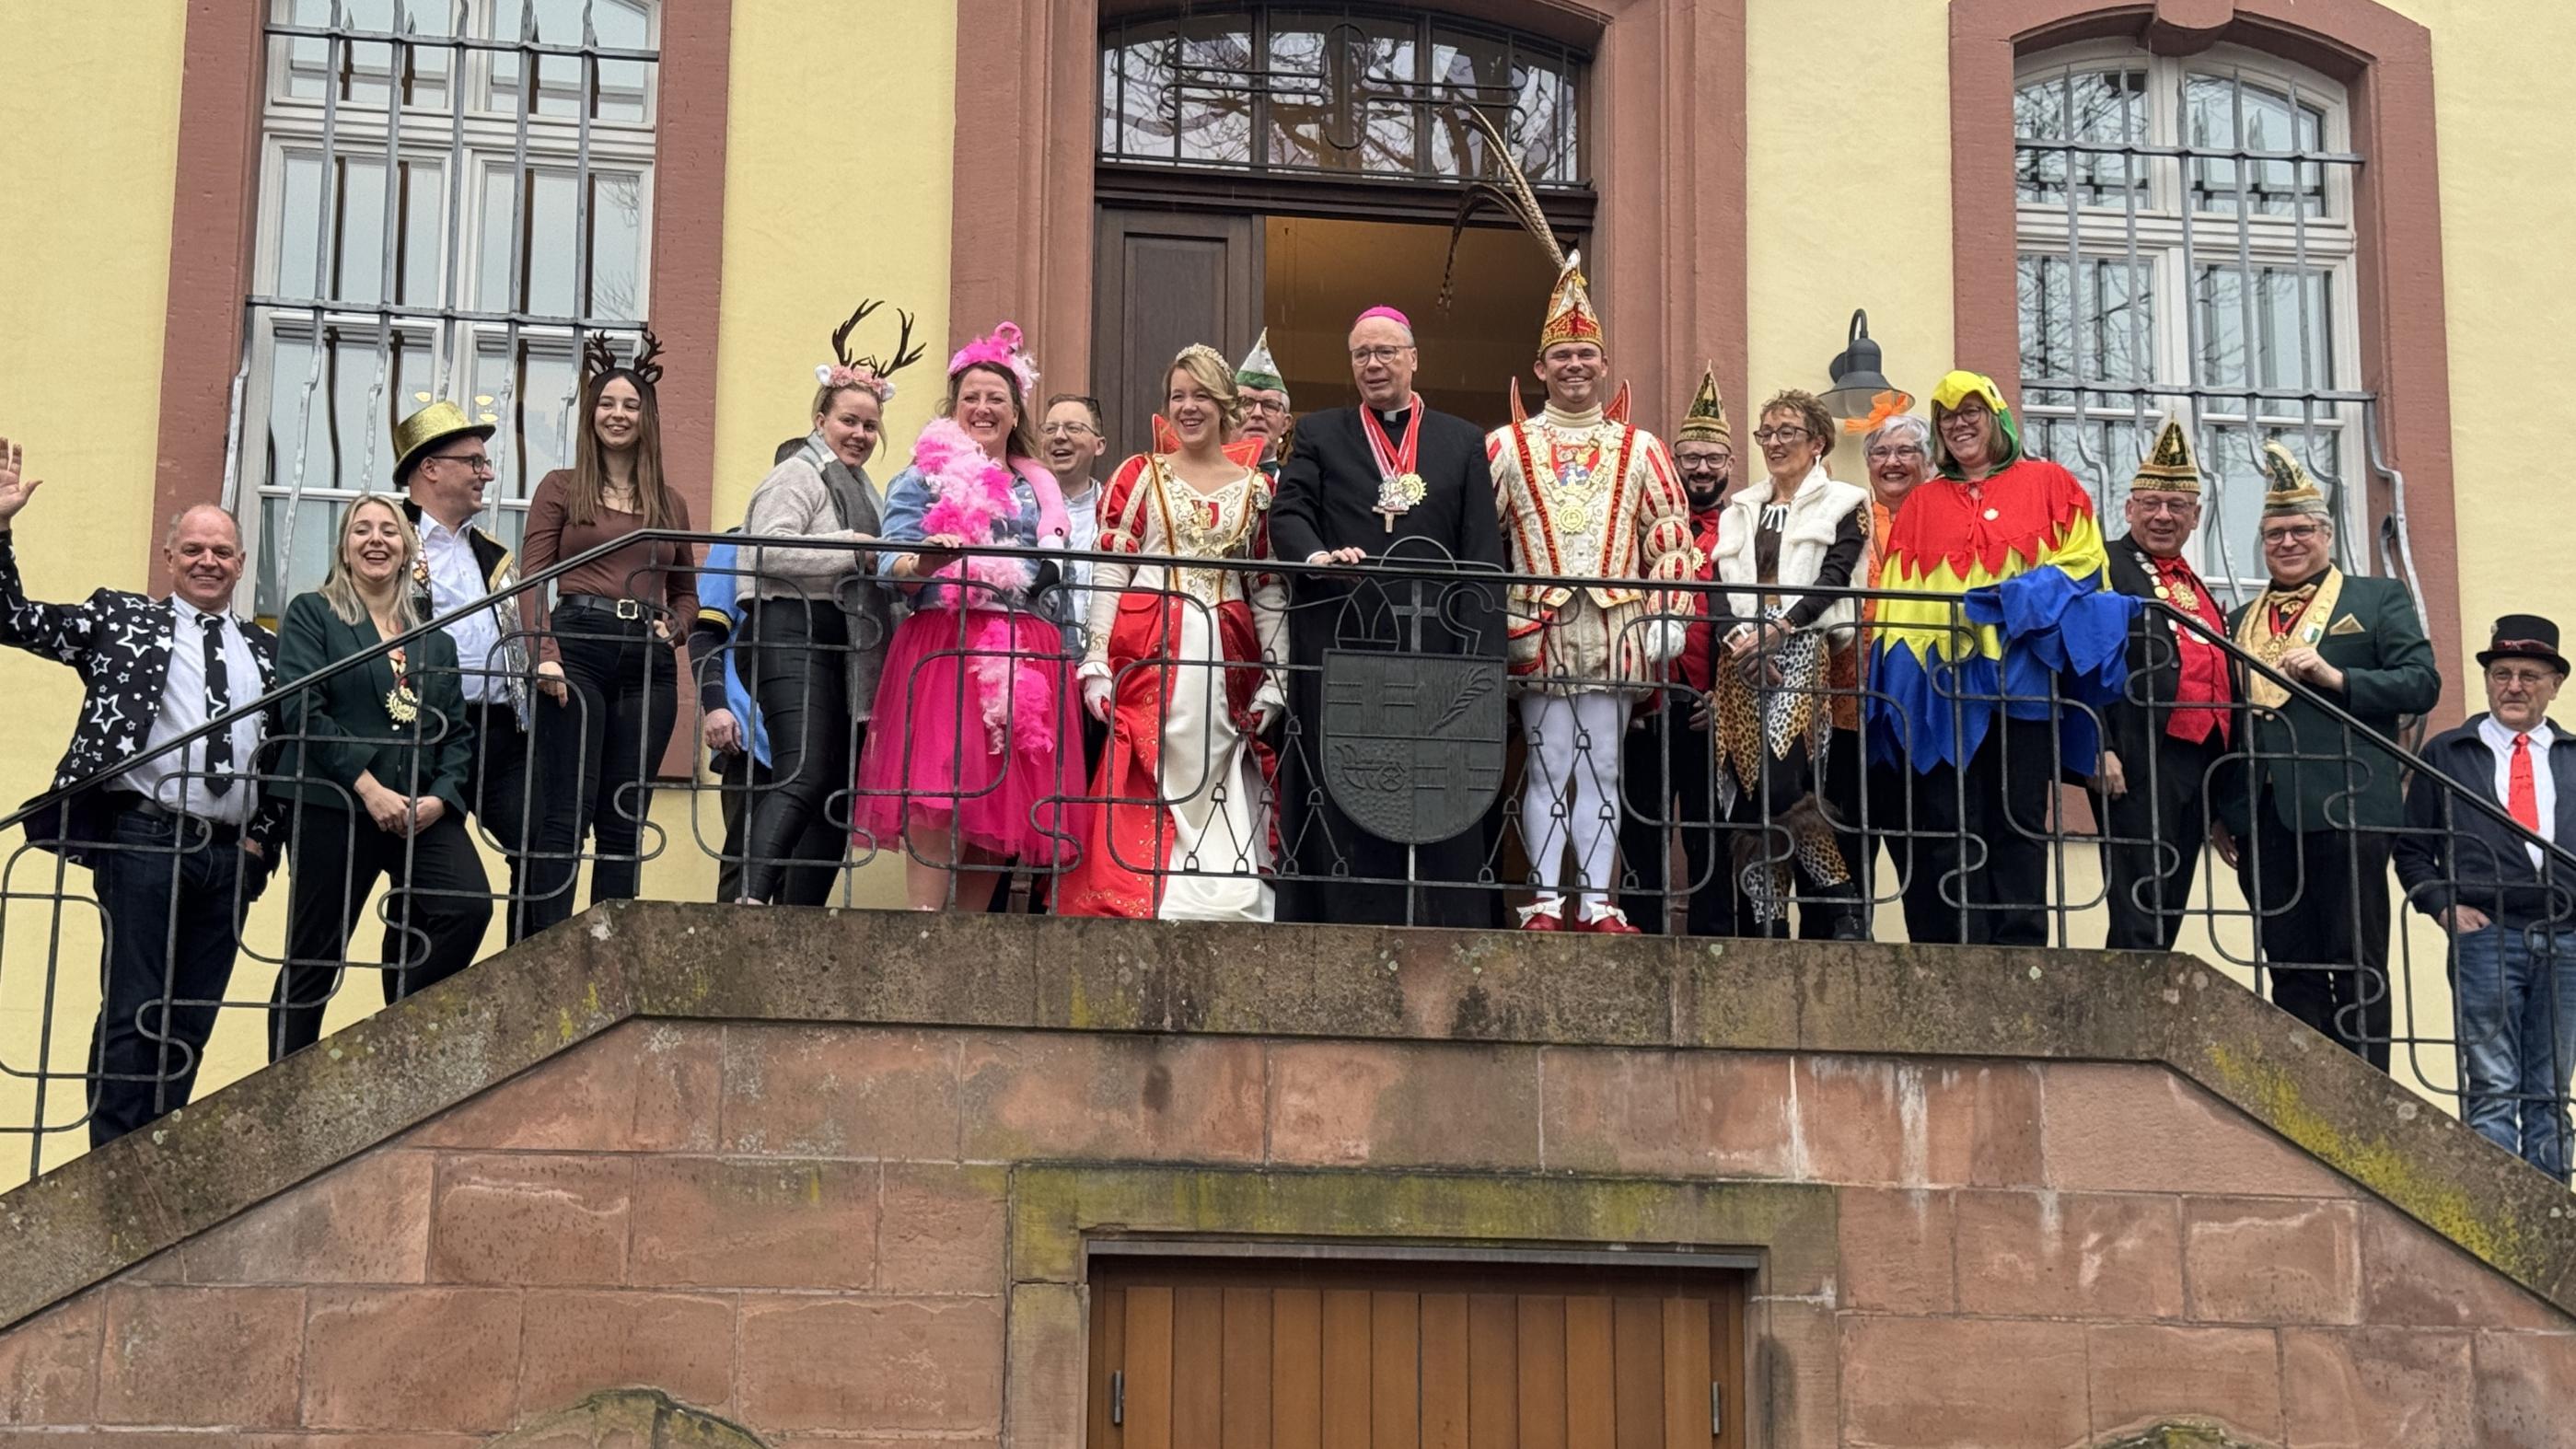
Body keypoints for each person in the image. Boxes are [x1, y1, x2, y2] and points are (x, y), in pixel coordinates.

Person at [0, 442, 279, 1145]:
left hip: (229, 856)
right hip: (147, 839)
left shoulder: (268, 650)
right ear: (169, 556)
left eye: (221, 551)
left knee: (191, 1018)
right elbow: (13, 619)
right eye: (193, 549)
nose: (208, 561)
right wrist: (0, 530)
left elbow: (291, 749)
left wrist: (261, 842)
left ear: (240, 563)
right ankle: (113, 1165)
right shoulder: (121, 621)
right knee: (136, 1008)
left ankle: (158, 1147)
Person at [1866, 370, 2135, 946]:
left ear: (1996, 418)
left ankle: (2020, 946)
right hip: (1942, 688)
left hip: (2024, 680)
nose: (1959, 424)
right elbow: (1896, 605)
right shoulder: (1921, 503)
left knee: (2018, 818)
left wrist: (2017, 600)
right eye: (1947, 416)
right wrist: (1895, 692)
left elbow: (2088, 564)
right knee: (1947, 820)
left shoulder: (2052, 482)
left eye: (1971, 412)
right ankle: (1958, 944)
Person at [1269, 306, 1509, 927]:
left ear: (1413, 358)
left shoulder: (1460, 440)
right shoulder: (1321, 432)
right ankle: (1342, 914)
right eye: (1360, 355)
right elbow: (1288, 514)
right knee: (1347, 785)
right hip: (1343, 642)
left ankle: (1447, 918)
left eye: (1386, 352)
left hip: (1438, 648)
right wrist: (1319, 557)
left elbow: (1482, 551)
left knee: (1440, 786)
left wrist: (1482, 660)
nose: (1373, 365)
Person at [2213, 441, 2439, 1071]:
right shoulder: (2238, 618)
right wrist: (2224, 808)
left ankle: (2366, 1093)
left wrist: (2339, 678)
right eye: (2274, 533)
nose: (2287, 542)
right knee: (2287, 960)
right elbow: (2229, 720)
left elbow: (2423, 684)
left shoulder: (2375, 599)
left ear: (2327, 536)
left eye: (2300, 530)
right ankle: (2307, 1097)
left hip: (2348, 804)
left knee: (2356, 957)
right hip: (2263, 814)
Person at [1485, 255, 1693, 933]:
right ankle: (1545, 900)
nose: (1575, 365)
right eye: (1562, 355)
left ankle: (1598, 902)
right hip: (1536, 627)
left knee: (1602, 767)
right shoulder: (1505, 446)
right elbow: (1477, 539)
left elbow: (1669, 534)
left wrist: (1669, 611)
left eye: (1585, 354)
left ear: (1603, 366)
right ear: (1540, 368)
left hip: (1616, 628)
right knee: (1546, 767)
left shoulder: (1642, 448)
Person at [854, 320, 1078, 911]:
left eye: (996, 399)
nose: (982, 408)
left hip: (1022, 650)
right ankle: (926, 922)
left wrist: (1074, 654)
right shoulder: (919, 477)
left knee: (1001, 793)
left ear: (1015, 411)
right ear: (953, 407)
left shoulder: (1039, 489)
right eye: (970, 398)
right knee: (936, 787)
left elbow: (1058, 578)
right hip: (943, 644)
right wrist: (926, 561)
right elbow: (889, 563)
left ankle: (971, 929)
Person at [1059, 344, 1288, 920]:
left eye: (1201, 396)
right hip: (1149, 646)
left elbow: (1265, 587)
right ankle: (1146, 887)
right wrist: (1095, 658)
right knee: (1147, 763)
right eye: (1177, 396)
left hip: (1227, 653)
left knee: (1219, 760)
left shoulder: (1257, 489)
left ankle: (1218, 879)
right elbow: (1112, 567)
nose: (1188, 407)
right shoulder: (1140, 474)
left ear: (1225, 406)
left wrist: (1276, 679)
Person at [268, 494, 491, 1059]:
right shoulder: (312, 614)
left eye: (389, 531)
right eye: (361, 530)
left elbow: (456, 733)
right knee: (316, 955)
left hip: (419, 807)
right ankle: (283, 1092)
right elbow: (303, 711)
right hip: (336, 805)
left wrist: (442, 797)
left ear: (407, 548)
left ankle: (395, 1037)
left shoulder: (433, 640)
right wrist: (368, 787)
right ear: (344, 547)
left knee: (467, 905)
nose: (376, 540)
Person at [516, 333, 698, 931]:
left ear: (646, 419)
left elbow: (686, 592)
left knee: (624, 818)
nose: (618, 415)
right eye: (607, 404)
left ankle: (608, 954)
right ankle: (543, 955)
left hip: (648, 664)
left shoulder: (668, 501)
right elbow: (531, 577)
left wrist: (677, 626)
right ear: (591, 414)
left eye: (630, 406)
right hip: (578, 646)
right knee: (566, 813)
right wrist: (543, 654)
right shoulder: (561, 487)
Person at [736, 307, 916, 905]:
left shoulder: (862, 486)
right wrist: (855, 550)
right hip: (786, 627)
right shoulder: (799, 474)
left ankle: (800, 912)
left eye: (870, 425)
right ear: (821, 419)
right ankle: (752, 897)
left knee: (838, 785)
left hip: (837, 640)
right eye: (849, 421)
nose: (860, 434)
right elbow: (765, 552)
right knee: (805, 769)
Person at [2396, 616, 2576, 1178]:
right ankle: (2496, 1209)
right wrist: (2444, 907)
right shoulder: (2450, 753)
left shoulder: (2575, 757)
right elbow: (2411, 850)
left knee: (2550, 1087)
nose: (2514, 686)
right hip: (2487, 936)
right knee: (2494, 1083)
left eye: (2528, 674)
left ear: (2554, 684)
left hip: (2568, 937)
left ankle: (2550, 1217)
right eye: (2502, 674)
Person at [1709, 389, 1872, 940]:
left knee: (1781, 782)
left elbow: (1835, 576)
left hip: (1802, 642)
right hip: (1739, 653)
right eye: (1767, 433)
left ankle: (1840, 900)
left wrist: (1780, 627)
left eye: (1787, 433)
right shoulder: (1741, 506)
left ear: (1818, 443)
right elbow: (1713, 583)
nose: (1775, 443)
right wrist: (1738, 640)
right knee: (1751, 794)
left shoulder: (1846, 502)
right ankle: (1767, 924)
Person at [395, 398, 543, 940]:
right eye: (475, 462)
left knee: (541, 847)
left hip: (499, 728)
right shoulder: (386, 540)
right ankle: (408, 1005)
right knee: (424, 887)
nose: (488, 473)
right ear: (430, 468)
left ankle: (529, 977)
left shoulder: (493, 553)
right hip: (422, 728)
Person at [2095, 417, 2234, 951]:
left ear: (2195, 517)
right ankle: (2130, 1010)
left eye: (2176, 506)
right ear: (2129, 509)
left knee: (2169, 895)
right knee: (2137, 899)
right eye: (2150, 503)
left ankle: (2149, 992)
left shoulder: (2194, 583)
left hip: (2198, 759)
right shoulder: (2106, 564)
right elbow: (2084, 661)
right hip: (2137, 751)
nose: (2162, 515)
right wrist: (2099, 747)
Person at [1619, 365, 1736, 935]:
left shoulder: (1742, 528)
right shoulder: (1643, 527)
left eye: (1713, 459)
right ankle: (1638, 930)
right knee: (1639, 825)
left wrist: (1729, 692)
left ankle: (1713, 937)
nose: (1701, 469)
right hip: (1646, 699)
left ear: (1730, 467)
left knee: (1710, 828)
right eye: (1689, 458)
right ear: (1672, 463)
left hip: (1710, 701)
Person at [1235, 329, 1295, 475]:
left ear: (1285, 423)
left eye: (1270, 405)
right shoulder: (1205, 485)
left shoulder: (1298, 489)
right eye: (1246, 403)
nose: (1257, 414)